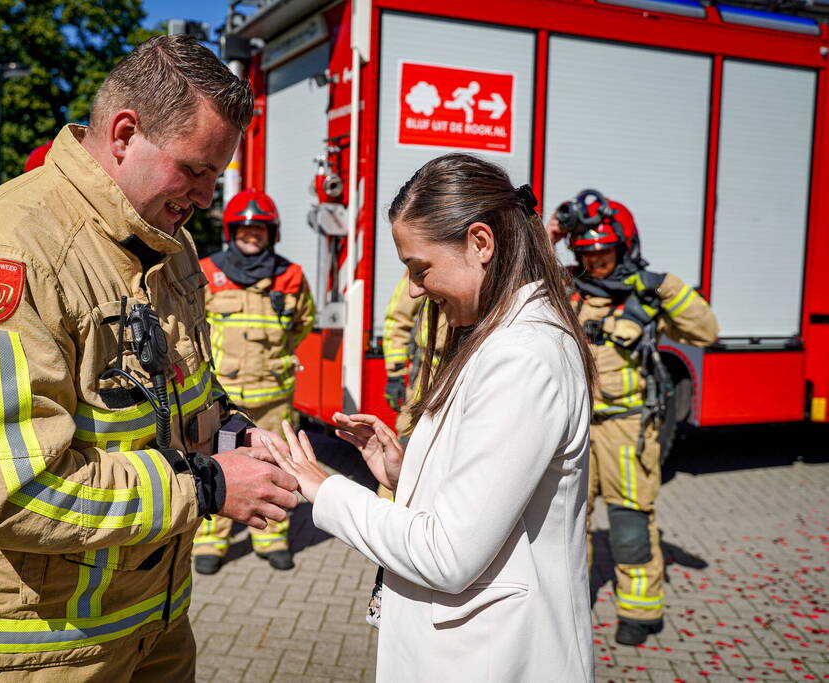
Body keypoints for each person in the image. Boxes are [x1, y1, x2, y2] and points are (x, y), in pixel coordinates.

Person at [0, 35, 300, 681]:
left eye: (216, 176)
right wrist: (209, 484)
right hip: (27, 653)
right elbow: (15, 493)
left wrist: (233, 433)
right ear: (124, 134)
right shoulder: (3, 254)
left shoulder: (166, 242)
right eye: (194, 169)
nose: (205, 197)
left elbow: (183, 386)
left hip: (150, 624)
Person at [263, 153, 596, 682]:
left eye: (421, 269)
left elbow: (447, 554)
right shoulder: (499, 338)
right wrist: (407, 472)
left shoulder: (521, 357)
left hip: (494, 659)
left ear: (480, 243)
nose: (415, 288)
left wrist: (324, 488)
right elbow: (491, 492)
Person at [549, 190, 718, 646]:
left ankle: (639, 613)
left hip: (626, 428)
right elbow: (514, 276)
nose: (596, 263)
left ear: (624, 249)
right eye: (587, 254)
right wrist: (551, 234)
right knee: (566, 522)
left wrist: (663, 286)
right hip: (570, 428)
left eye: (604, 254)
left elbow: (706, 331)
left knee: (629, 524)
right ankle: (567, 607)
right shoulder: (564, 286)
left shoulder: (648, 292)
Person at [192, 189, 315, 573]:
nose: (251, 237)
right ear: (231, 233)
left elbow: (303, 322)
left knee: (277, 464)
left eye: (259, 231)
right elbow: (192, 325)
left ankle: (270, 537)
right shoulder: (207, 271)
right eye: (244, 231)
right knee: (215, 464)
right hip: (221, 399)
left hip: (273, 396)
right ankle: (211, 540)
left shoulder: (291, 276)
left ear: (271, 234)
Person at [382, 272, 446, 440]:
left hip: (471, 362)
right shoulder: (422, 265)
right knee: (410, 431)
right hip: (430, 371)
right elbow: (397, 320)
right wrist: (395, 375)